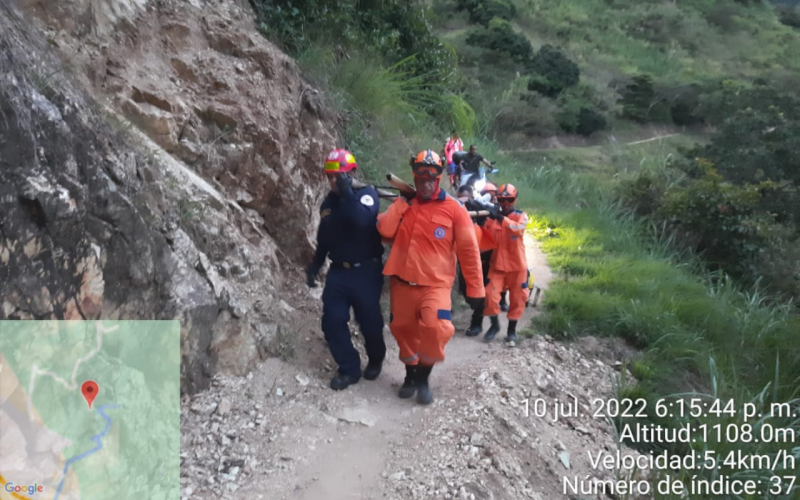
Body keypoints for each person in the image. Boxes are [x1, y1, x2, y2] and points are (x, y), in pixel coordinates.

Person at [377, 149, 485, 404]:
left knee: (437, 329)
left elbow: (469, 252)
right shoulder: (405, 204)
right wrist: (402, 203)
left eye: (431, 178)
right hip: (402, 282)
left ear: (438, 178)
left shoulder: (454, 209)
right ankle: (410, 373)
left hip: (435, 286)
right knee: (402, 330)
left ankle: (424, 378)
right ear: (414, 177)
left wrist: (476, 289)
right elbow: (384, 230)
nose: (426, 183)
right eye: (421, 178)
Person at [306, 149, 386, 390]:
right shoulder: (328, 203)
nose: (333, 181)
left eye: (339, 176)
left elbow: (361, 220)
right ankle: (349, 368)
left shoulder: (366, 195)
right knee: (332, 321)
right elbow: (325, 237)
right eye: (330, 176)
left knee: (369, 322)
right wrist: (315, 266)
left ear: (352, 174)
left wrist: (347, 192)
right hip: (339, 272)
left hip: (366, 272)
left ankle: (376, 358)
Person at [482, 183, 529, 344]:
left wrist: (502, 219)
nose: (506, 203)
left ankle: (511, 330)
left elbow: (519, 228)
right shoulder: (491, 217)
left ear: (514, 199)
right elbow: (482, 233)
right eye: (502, 199)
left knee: (518, 298)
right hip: (498, 266)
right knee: (489, 295)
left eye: (509, 199)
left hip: (517, 266)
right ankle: (494, 325)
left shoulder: (520, 216)